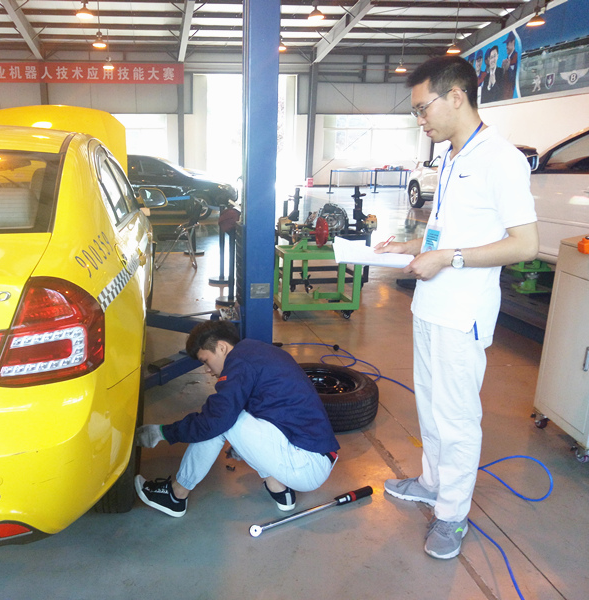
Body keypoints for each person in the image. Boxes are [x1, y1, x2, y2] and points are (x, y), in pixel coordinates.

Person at [376, 55, 538, 560]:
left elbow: (525, 244)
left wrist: (450, 258)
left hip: (462, 313)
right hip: (430, 306)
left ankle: (452, 515)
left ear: (456, 96)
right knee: (430, 405)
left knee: (458, 418)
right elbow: (449, 228)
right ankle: (432, 483)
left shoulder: (501, 159)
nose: (419, 120)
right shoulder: (450, 156)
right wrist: (415, 245)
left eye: (422, 108)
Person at [134, 319, 340, 517]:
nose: (207, 370)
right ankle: (280, 490)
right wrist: (244, 445)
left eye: (206, 360)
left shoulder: (239, 362)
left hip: (305, 463)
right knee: (226, 415)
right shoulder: (255, 352)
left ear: (222, 347)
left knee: (220, 421)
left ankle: (176, 495)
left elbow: (215, 420)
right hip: (312, 455)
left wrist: (162, 432)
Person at [501, 33, 519, 99]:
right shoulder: (506, 60)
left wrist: (508, 68)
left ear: (513, 42)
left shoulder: (517, 57)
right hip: (505, 95)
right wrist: (502, 70)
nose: (506, 47)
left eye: (507, 43)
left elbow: (515, 79)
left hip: (512, 95)